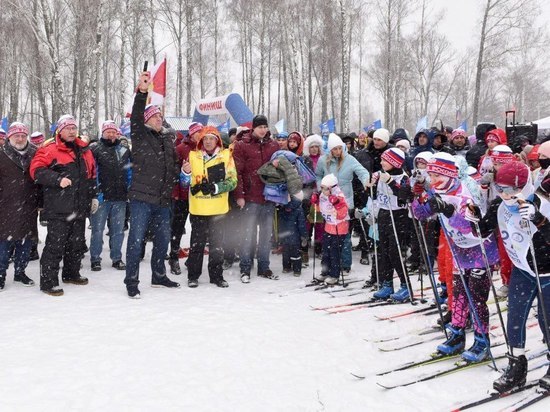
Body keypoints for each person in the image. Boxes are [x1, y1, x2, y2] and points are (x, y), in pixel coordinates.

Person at [466, 161, 550, 392]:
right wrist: (472, 218)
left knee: (547, 320)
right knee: (515, 317)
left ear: (525, 186)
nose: (505, 194)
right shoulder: (499, 205)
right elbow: (483, 231)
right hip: (522, 269)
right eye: (501, 188)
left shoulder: (542, 203)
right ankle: (516, 366)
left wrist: (539, 220)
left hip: (547, 272)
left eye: (512, 190)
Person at [412, 152, 499, 362]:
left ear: (449, 175)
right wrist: (416, 194)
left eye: (435, 176)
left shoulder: (466, 196)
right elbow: (420, 213)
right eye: (430, 176)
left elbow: (474, 229)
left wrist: (451, 212)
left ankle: (482, 341)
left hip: (480, 251)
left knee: (477, 299)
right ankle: (457, 335)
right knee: (459, 296)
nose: (432, 181)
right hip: (460, 251)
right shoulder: (438, 190)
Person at [124, 71, 181, 298]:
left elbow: (173, 165)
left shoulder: (167, 139)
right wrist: (143, 92)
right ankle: (131, 281)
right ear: (146, 120)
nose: (159, 119)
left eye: (160, 116)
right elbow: (135, 115)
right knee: (136, 242)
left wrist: (179, 174)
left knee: (162, 240)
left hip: (163, 199)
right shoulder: (140, 134)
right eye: (155, 116)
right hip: (141, 199)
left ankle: (158, 275)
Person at [30, 115, 96, 296]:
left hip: (79, 207)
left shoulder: (85, 150)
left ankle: (71, 273)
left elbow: (91, 176)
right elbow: (35, 171)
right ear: (60, 130)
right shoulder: (50, 149)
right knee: (55, 246)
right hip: (58, 207)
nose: (72, 131)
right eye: (68, 128)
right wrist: (57, 179)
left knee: (76, 244)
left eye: (74, 128)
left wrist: (93, 196)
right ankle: (48, 282)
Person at [181, 126, 237, 288]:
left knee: (217, 245)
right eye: (205, 139)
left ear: (217, 140)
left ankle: (216, 276)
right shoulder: (193, 156)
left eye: (211, 138)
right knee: (197, 245)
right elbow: (185, 184)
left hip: (218, 209)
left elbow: (233, 181)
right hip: (198, 208)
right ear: (201, 141)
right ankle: (193, 276)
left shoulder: (226, 157)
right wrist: (185, 173)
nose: (208, 141)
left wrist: (215, 188)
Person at [232, 114, 279, 283]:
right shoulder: (242, 145)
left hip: (268, 197)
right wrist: (240, 195)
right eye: (260, 127)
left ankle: (264, 267)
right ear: (253, 128)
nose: (263, 130)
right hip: (250, 198)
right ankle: (245, 269)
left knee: (266, 236)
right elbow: (236, 172)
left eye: (265, 127)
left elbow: (280, 170)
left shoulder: (273, 145)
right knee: (247, 235)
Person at [315, 133, 370, 273]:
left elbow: (362, 171)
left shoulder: (350, 159)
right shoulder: (323, 160)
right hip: (328, 202)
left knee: (344, 235)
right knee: (330, 236)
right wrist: (321, 187)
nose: (338, 152)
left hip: (345, 203)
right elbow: (318, 175)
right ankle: (331, 264)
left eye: (340, 148)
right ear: (330, 150)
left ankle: (345, 263)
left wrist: (366, 181)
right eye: (335, 149)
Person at [363, 148, 413, 301]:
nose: (382, 162)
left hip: (398, 215)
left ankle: (406, 286)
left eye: (386, 160)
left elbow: (404, 195)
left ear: (394, 163)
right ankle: (387, 283)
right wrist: (369, 186)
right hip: (384, 213)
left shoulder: (403, 177)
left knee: (395, 251)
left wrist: (391, 182)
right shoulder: (379, 175)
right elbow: (374, 195)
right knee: (383, 251)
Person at [0, 123, 40, 291]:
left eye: (23, 135)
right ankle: (1, 274)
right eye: (16, 135)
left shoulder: (35, 153)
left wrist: (41, 203)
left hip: (29, 205)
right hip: (6, 205)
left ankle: (20, 272)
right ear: (9, 137)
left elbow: (40, 179)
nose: (20, 138)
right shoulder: (2, 154)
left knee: (26, 242)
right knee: (4, 243)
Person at [89, 120, 131, 272]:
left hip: (120, 196)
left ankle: (117, 258)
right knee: (97, 230)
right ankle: (95, 258)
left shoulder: (124, 149)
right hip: (101, 196)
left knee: (118, 230)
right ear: (103, 133)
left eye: (114, 132)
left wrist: (129, 187)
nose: (111, 134)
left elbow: (129, 170)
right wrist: (95, 191)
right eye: (108, 131)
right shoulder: (95, 149)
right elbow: (92, 172)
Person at [168, 121, 203, 274]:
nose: (199, 135)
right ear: (191, 133)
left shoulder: (205, 148)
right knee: (178, 228)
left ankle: (192, 259)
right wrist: (175, 192)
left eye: (201, 132)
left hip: (199, 196)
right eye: (197, 132)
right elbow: (173, 172)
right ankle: (173, 257)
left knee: (198, 229)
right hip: (182, 196)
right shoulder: (181, 149)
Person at [311, 174, 348, 285]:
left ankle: (334, 274)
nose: (322, 190)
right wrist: (315, 202)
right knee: (326, 251)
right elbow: (319, 210)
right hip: (328, 227)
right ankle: (325, 271)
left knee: (334, 252)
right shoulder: (322, 195)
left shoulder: (339, 196)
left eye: (325, 188)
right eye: (321, 187)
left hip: (339, 228)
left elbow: (342, 214)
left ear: (332, 188)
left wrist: (336, 204)